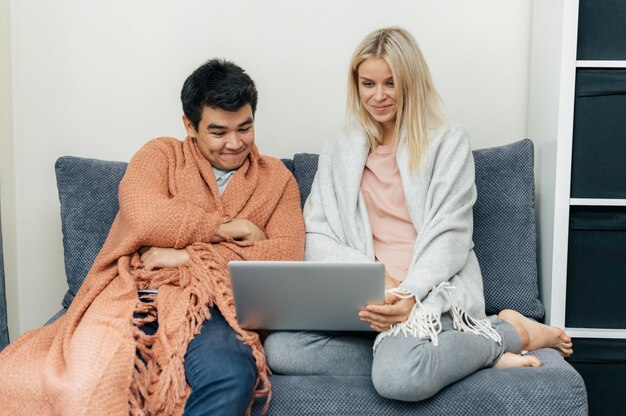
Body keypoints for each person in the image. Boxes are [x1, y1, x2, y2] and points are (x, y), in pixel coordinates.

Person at [264, 27, 572, 401]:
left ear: (411, 82)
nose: (378, 96)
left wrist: (409, 293)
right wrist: (376, 281)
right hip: (371, 295)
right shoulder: (339, 150)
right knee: (280, 349)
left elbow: (451, 233)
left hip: (431, 291)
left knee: (399, 379)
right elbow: (316, 235)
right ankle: (447, 355)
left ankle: (510, 332)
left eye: (391, 83)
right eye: (368, 83)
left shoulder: (446, 141)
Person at [0, 59, 305, 415]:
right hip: (140, 293)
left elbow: (287, 254)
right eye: (219, 132)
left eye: (245, 128)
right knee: (91, 381)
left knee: (231, 373)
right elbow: (144, 214)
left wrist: (187, 256)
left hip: (217, 303)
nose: (235, 143)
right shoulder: (159, 155)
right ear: (189, 126)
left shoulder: (277, 179)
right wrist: (225, 229)